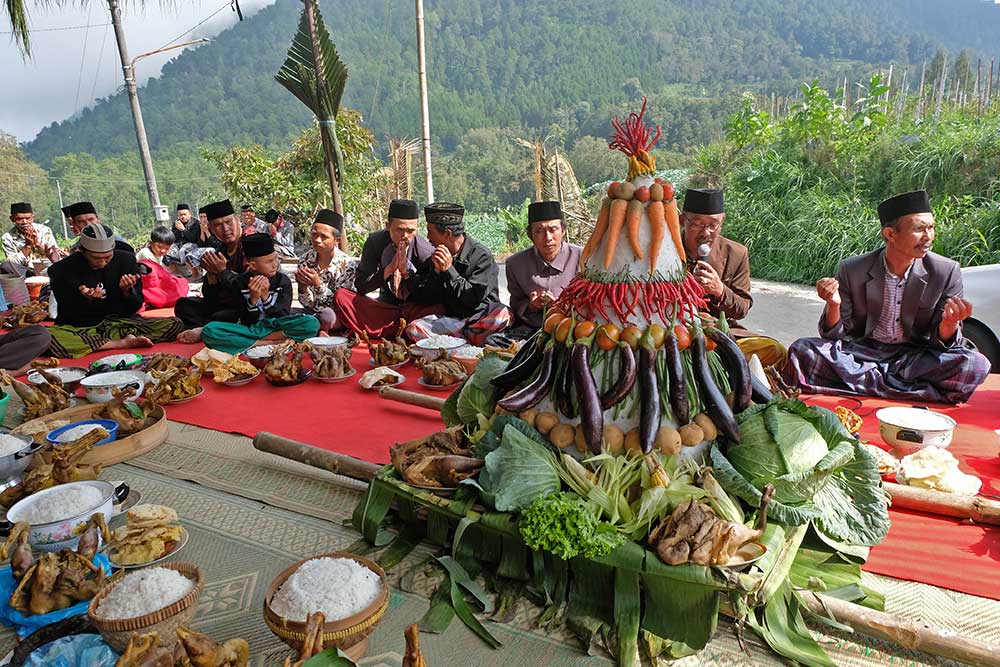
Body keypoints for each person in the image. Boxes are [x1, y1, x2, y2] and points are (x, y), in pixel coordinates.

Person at [784, 190, 991, 404]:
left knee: (974, 365)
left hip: (913, 359)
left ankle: (864, 383)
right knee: (803, 351)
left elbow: (945, 345)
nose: (928, 236)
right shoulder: (853, 269)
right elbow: (835, 337)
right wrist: (834, 305)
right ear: (890, 234)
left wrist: (949, 324)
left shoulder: (945, 271)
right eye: (920, 229)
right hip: (862, 354)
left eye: (931, 227)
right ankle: (905, 388)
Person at [46, 223, 184, 358]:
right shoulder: (62, 269)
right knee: (46, 337)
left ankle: (102, 343)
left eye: (107, 257)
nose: (102, 263)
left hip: (120, 323)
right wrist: (86, 298)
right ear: (82, 251)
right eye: (95, 258)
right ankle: (119, 343)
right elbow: (68, 313)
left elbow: (135, 306)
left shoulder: (126, 260)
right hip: (83, 328)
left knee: (175, 324)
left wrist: (127, 291)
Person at [332, 199, 444, 338]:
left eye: (411, 231)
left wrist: (406, 273)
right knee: (341, 296)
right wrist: (388, 270)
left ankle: (393, 329)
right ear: (387, 226)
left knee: (439, 308)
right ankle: (401, 331)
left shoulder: (425, 252)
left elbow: (426, 296)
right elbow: (361, 286)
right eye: (400, 230)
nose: (405, 236)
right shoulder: (375, 242)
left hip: (411, 310)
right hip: (384, 308)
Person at [201, 233, 319, 354]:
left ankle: (248, 343)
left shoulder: (282, 281)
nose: (274, 264)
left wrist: (266, 298)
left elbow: (283, 316)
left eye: (275, 259)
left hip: (277, 326)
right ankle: (273, 343)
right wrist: (253, 300)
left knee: (311, 323)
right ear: (253, 265)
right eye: (269, 261)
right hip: (251, 329)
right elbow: (247, 320)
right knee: (209, 331)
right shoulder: (241, 283)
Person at [413, 202, 510, 345]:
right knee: (414, 328)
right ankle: (464, 340)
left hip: (482, 320)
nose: (428, 237)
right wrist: (436, 272)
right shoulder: (436, 256)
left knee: (502, 315)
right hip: (454, 322)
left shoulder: (482, 256)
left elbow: (473, 299)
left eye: (430, 231)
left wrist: (449, 270)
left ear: (447, 234)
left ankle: (455, 342)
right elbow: (429, 299)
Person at [501, 201, 582, 341]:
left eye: (553, 229)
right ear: (530, 235)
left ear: (563, 231)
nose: (548, 238)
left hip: (573, 329)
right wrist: (532, 306)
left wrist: (560, 305)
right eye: (539, 231)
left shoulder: (583, 258)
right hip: (531, 331)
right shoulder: (515, 264)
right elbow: (516, 303)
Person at [175, 199, 249, 339]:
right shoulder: (220, 250)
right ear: (212, 229)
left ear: (237, 220)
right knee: (184, 305)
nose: (225, 229)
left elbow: (248, 288)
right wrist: (212, 278)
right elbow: (210, 298)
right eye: (218, 225)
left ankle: (207, 328)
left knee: (221, 316)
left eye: (228, 222)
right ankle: (212, 327)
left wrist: (223, 272)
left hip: (247, 306)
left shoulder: (250, 245)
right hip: (224, 305)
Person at [680, 188, 752, 332]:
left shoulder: (737, 254)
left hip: (719, 332)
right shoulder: (665, 251)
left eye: (713, 225)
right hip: (674, 330)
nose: (706, 233)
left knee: (773, 349)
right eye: (698, 224)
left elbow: (742, 309)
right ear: (682, 221)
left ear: (722, 221)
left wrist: (720, 291)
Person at [295, 209, 357, 333]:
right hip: (313, 312)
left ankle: (313, 328)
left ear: (337, 240)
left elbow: (341, 305)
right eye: (314, 234)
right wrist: (303, 287)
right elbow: (307, 304)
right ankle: (314, 328)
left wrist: (318, 285)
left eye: (324, 237)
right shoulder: (305, 260)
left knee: (328, 316)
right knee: (289, 313)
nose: (317, 240)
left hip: (335, 315)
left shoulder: (347, 266)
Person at [2, 202, 63, 274]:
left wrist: (38, 245)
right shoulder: (7, 237)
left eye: (27, 218)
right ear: (12, 219)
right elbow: (12, 264)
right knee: (5, 266)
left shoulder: (44, 230)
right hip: (25, 272)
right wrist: (28, 246)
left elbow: (56, 255)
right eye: (19, 219)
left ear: (32, 217)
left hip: (46, 268)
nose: (24, 222)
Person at [66, 202, 134, 254]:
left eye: (91, 219)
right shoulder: (75, 249)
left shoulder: (117, 241)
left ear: (98, 219)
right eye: (81, 222)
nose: (88, 224)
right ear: (75, 225)